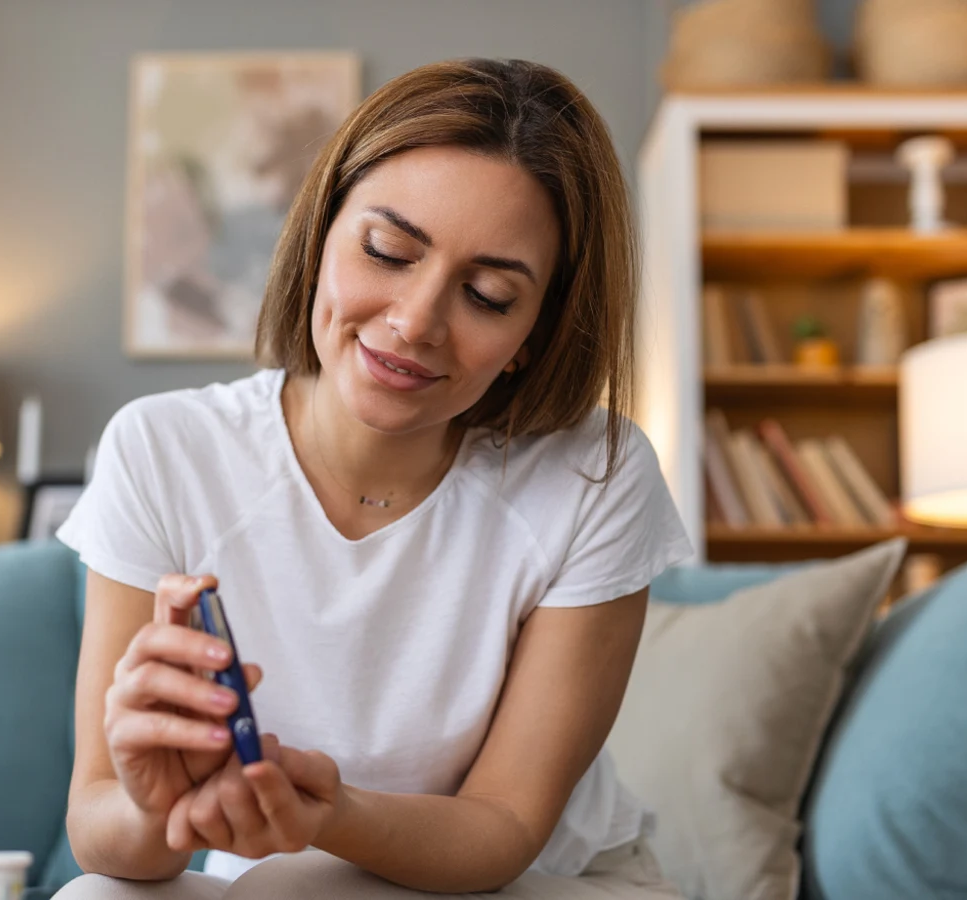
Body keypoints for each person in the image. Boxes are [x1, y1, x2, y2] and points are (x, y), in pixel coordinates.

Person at [53, 57, 693, 899]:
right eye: (388, 251)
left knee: (304, 886)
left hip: (538, 877)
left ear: (535, 333)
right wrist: (155, 805)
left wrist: (328, 816)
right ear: (322, 232)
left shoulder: (594, 476)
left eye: (490, 295)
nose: (415, 321)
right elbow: (101, 831)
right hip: (274, 881)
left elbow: (500, 827)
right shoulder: (162, 449)